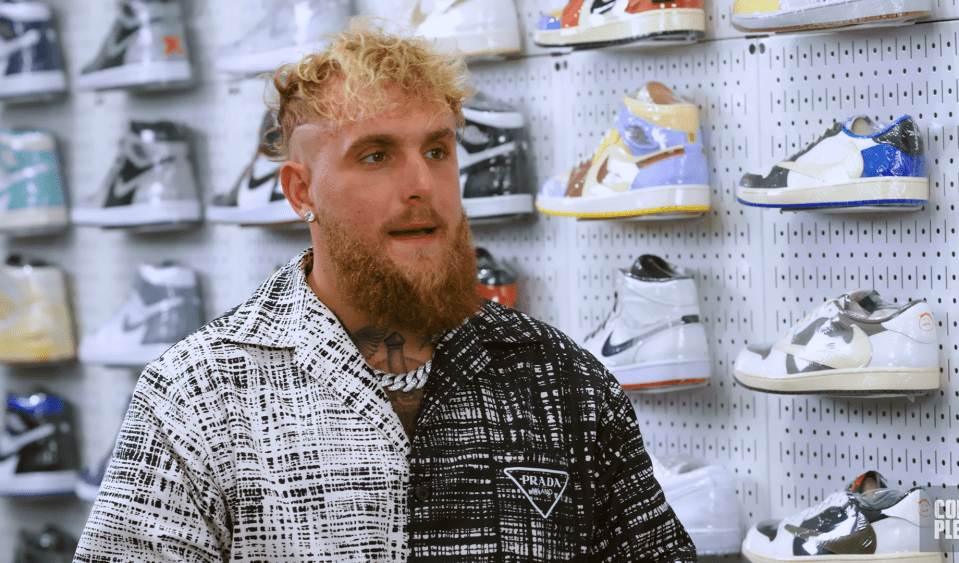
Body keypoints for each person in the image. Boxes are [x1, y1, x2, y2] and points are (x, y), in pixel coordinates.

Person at [73, 21, 698, 563]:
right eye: (375, 156)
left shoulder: (565, 382)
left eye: (437, 149)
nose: (421, 183)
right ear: (300, 192)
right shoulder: (198, 395)